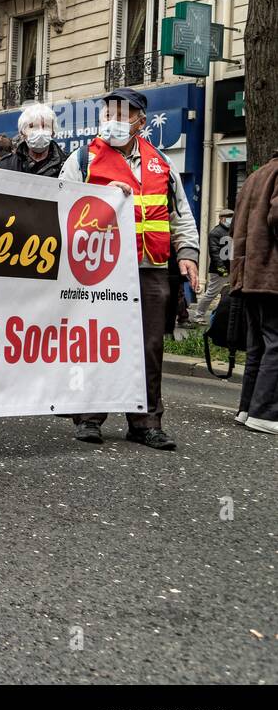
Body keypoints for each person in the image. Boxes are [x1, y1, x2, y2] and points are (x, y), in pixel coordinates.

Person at [61, 88, 200, 450]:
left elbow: (179, 214)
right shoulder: (83, 159)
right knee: (96, 341)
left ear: (140, 121)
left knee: (149, 346)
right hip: (98, 269)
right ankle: (90, 417)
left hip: (150, 268)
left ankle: (146, 421)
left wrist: (187, 253)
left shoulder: (161, 163)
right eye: (108, 114)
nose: (113, 121)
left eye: (122, 114)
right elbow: (60, 207)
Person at [232, 157, 278, 433]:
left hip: (249, 272)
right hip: (272, 273)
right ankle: (266, 413)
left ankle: (247, 408)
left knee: (258, 345)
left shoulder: (255, 176)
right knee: (275, 342)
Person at [0, 102, 67, 178]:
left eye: (46, 126)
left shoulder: (68, 165)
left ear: (53, 132)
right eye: (33, 127)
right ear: (22, 132)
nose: (40, 132)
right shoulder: (5, 166)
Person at [189, 209, 233, 326]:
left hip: (233, 268)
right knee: (211, 293)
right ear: (222, 218)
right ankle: (198, 315)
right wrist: (221, 268)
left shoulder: (233, 231)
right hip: (219, 270)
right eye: (229, 217)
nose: (231, 220)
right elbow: (214, 252)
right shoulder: (215, 233)